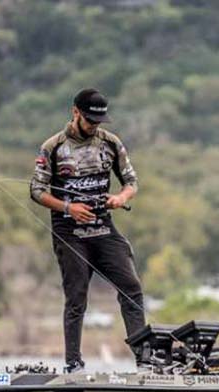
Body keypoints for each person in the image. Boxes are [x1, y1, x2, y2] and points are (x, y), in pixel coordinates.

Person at [29, 88, 145, 373]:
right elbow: (36, 191)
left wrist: (121, 198)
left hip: (103, 227)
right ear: (75, 113)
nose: (94, 126)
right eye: (90, 120)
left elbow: (131, 181)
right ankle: (73, 364)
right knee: (77, 296)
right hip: (69, 231)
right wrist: (69, 208)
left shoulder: (111, 143)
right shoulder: (52, 147)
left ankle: (145, 359)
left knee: (132, 288)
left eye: (99, 121)